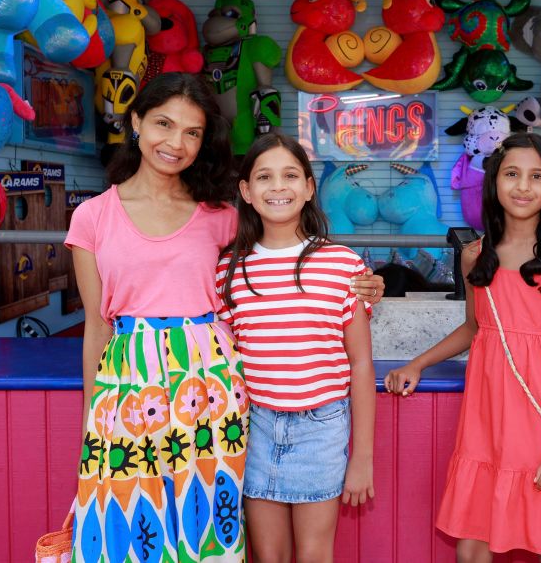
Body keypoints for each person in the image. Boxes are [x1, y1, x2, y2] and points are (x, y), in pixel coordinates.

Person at [66, 74, 384, 562]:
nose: (175, 142)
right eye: (163, 125)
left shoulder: (219, 216)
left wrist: (369, 283)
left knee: (205, 529)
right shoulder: (92, 216)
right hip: (128, 386)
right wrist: (93, 416)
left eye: (191, 132)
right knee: (128, 531)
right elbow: (97, 325)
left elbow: (282, 255)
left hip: (210, 390)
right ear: (135, 122)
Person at [385, 132, 541, 562]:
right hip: (486, 418)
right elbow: (474, 327)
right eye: (512, 174)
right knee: (471, 546)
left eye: (536, 176)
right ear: (494, 182)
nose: (523, 186)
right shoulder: (474, 256)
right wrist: (419, 363)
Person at [215, 133, 376, 563]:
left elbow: (361, 364)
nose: (278, 187)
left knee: (314, 555)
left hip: (322, 429)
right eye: (264, 177)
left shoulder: (343, 266)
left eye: (290, 175)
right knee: (268, 556)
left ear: (308, 187)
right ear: (246, 192)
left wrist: (361, 459)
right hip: (255, 429)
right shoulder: (227, 271)